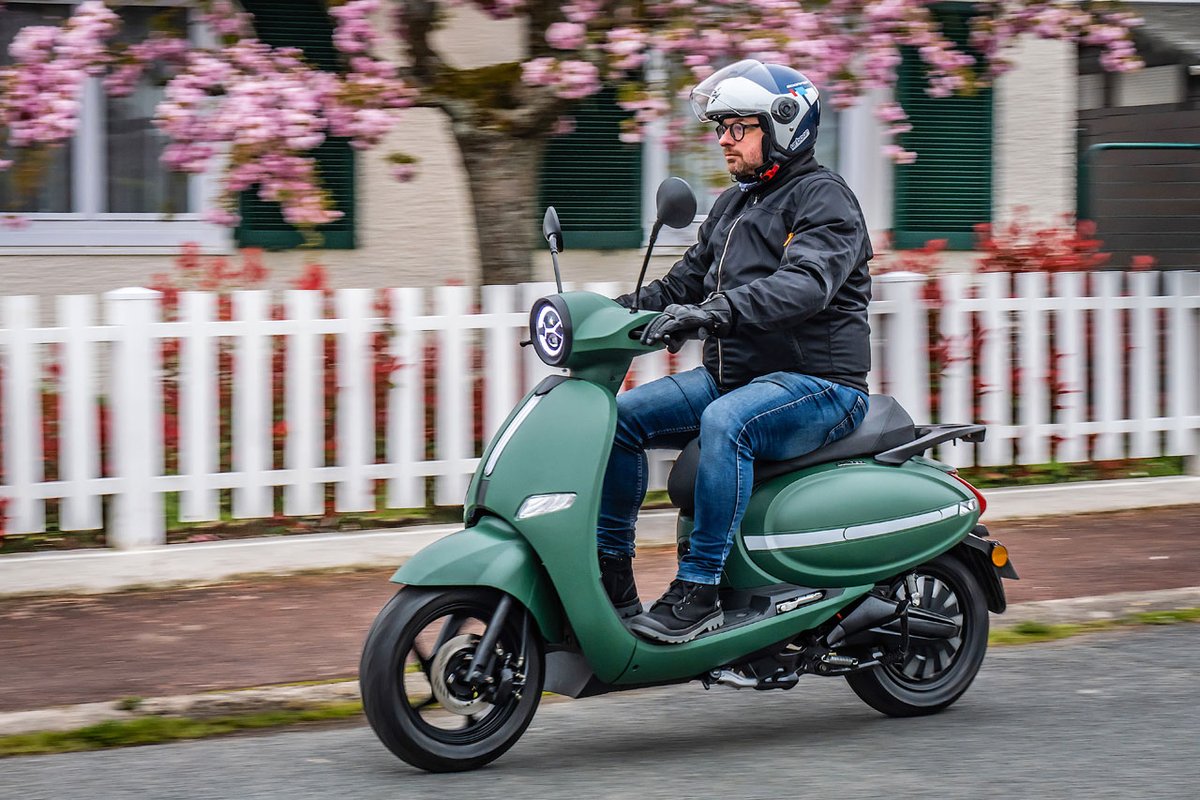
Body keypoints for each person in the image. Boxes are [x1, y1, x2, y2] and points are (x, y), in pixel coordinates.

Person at [598, 59, 873, 644]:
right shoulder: (731, 206)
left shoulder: (825, 200)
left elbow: (805, 285)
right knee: (619, 420)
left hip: (819, 383)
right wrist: (607, 313)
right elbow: (682, 284)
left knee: (727, 423)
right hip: (741, 375)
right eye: (719, 126)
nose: (723, 138)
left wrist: (715, 312)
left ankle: (700, 592)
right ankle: (611, 578)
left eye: (738, 126)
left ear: (784, 124)